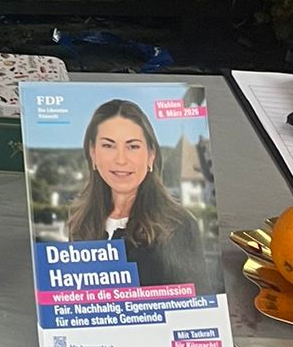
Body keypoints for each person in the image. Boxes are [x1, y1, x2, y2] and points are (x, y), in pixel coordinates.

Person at [65, 99, 207, 288]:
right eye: (108, 145)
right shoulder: (80, 222)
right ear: (93, 154)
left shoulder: (179, 225)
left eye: (132, 146)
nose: (121, 160)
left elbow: (197, 300)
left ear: (151, 155)